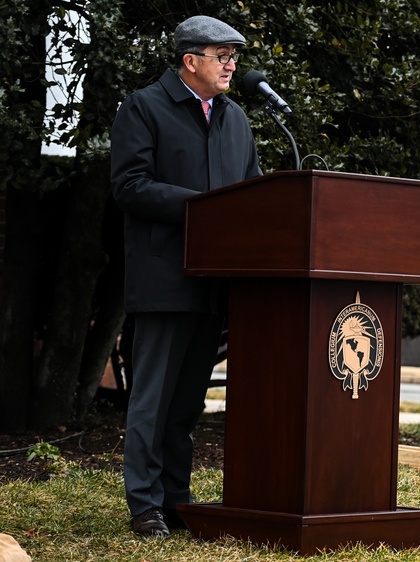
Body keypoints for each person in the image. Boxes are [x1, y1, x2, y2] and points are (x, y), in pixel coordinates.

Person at [110, 15, 262, 537]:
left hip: (214, 281)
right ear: (189, 60)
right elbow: (130, 186)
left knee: (188, 400)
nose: (232, 64)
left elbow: (253, 192)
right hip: (164, 279)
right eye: (222, 55)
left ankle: (177, 498)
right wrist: (206, 208)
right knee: (152, 400)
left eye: (234, 56)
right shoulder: (145, 107)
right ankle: (144, 504)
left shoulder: (235, 118)